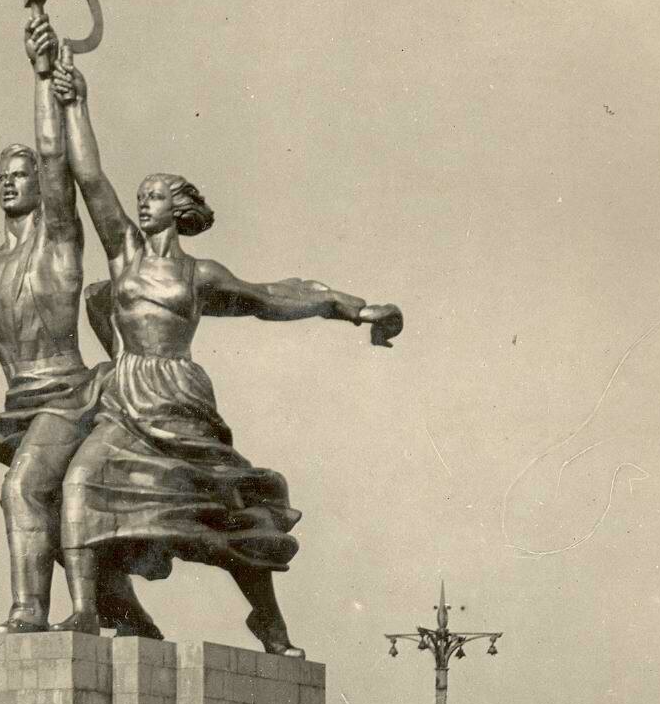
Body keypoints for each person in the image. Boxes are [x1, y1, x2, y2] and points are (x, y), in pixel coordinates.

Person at [50, 49, 400, 654]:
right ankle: (84, 610)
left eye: (156, 195)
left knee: (227, 506)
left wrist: (354, 307)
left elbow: (274, 296)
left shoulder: (200, 274)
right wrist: (75, 101)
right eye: (143, 194)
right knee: (81, 481)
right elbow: (90, 179)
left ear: (178, 209)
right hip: (125, 396)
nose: (144, 201)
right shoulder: (124, 255)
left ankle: (267, 619)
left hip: (179, 398)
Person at [0, 12, 160, 636]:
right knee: (50, 527)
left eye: (19, 172)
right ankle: (130, 619)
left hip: (66, 394)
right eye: (2, 172)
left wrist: (43, 76)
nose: (9, 179)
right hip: (18, 403)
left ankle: (30, 609)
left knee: (22, 492)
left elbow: (58, 160)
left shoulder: (55, 242)